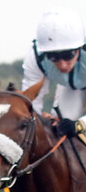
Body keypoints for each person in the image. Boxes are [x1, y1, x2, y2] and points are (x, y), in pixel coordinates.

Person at [22, 8, 86, 137]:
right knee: (62, 127)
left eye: (68, 55)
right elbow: (31, 102)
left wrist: (80, 124)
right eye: (53, 57)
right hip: (69, 88)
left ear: (79, 48)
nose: (62, 65)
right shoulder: (35, 57)